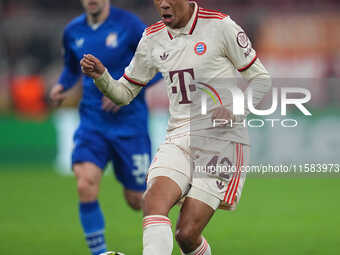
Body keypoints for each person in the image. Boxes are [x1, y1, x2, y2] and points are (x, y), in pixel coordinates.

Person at [80, 0, 272, 254]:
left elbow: (261, 79)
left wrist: (237, 109)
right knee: (153, 202)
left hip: (220, 139)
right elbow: (124, 93)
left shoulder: (220, 26)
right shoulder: (152, 38)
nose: (163, 4)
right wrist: (103, 77)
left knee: (187, 234)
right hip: (178, 136)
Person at [49, 1, 162, 255]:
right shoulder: (73, 31)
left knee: (137, 200)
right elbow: (70, 68)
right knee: (85, 183)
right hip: (93, 123)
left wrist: (123, 88)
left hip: (129, 125)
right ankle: (99, 253)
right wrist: (61, 86)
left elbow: (157, 65)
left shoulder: (130, 26)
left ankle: (176, 234)